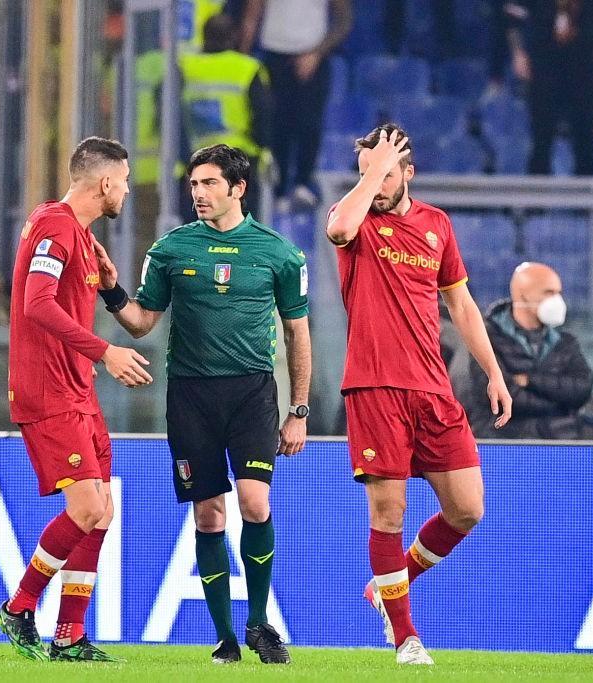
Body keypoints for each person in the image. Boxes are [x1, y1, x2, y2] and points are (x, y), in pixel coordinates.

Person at [93, 144, 311, 665]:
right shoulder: (171, 250)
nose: (199, 193)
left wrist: (298, 410)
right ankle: (226, 640)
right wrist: (112, 292)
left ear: (238, 188)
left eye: (210, 184)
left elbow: (297, 333)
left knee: (255, 504)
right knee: (209, 517)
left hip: (253, 393)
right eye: (194, 184)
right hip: (191, 395)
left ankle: (259, 622)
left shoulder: (279, 253)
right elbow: (144, 322)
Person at [325, 124, 512, 665]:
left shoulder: (437, 225)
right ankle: (406, 637)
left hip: (433, 387)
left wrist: (493, 372)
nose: (375, 184)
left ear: (409, 172)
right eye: (365, 175)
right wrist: (371, 170)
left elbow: (463, 306)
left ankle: (390, 583)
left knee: (468, 509)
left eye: (386, 174)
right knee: (388, 514)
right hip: (374, 385)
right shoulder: (355, 220)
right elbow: (337, 227)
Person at [0, 136, 153, 662]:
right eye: (126, 181)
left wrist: (107, 285)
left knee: (102, 511)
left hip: (77, 390)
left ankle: (69, 635)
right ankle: (19, 606)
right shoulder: (56, 227)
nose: (128, 191)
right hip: (48, 389)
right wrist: (104, 351)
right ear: (105, 182)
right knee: (86, 506)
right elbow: (36, 304)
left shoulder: (79, 237)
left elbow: (66, 295)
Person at [240, 0, 353, 211]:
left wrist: (317, 53)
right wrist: (242, 57)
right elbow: (252, 14)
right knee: (276, 123)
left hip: (314, 56)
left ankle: (303, 182)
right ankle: (278, 188)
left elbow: (343, 21)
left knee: (309, 122)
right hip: (274, 56)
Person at [462, 262, 593, 439]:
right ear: (522, 295)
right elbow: (501, 397)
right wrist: (562, 405)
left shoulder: (566, 342)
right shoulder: (485, 337)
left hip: (560, 443)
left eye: (558, 293)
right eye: (549, 292)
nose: (557, 300)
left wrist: (530, 381)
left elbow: (582, 388)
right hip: (504, 443)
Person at [505, 0, 593, 175]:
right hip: (544, 68)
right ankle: (535, 199)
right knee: (541, 142)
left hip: (587, 68)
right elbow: (512, 18)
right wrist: (518, 54)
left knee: (585, 143)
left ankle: (586, 199)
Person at [178, 14, 273, 222]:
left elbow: (171, 116)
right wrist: (262, 149)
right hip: (239, 160)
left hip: (198, 161)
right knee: (240, 229)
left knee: (199, 231)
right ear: (233, 36)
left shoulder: (185, 67)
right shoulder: (247, 68)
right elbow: (264, 117)